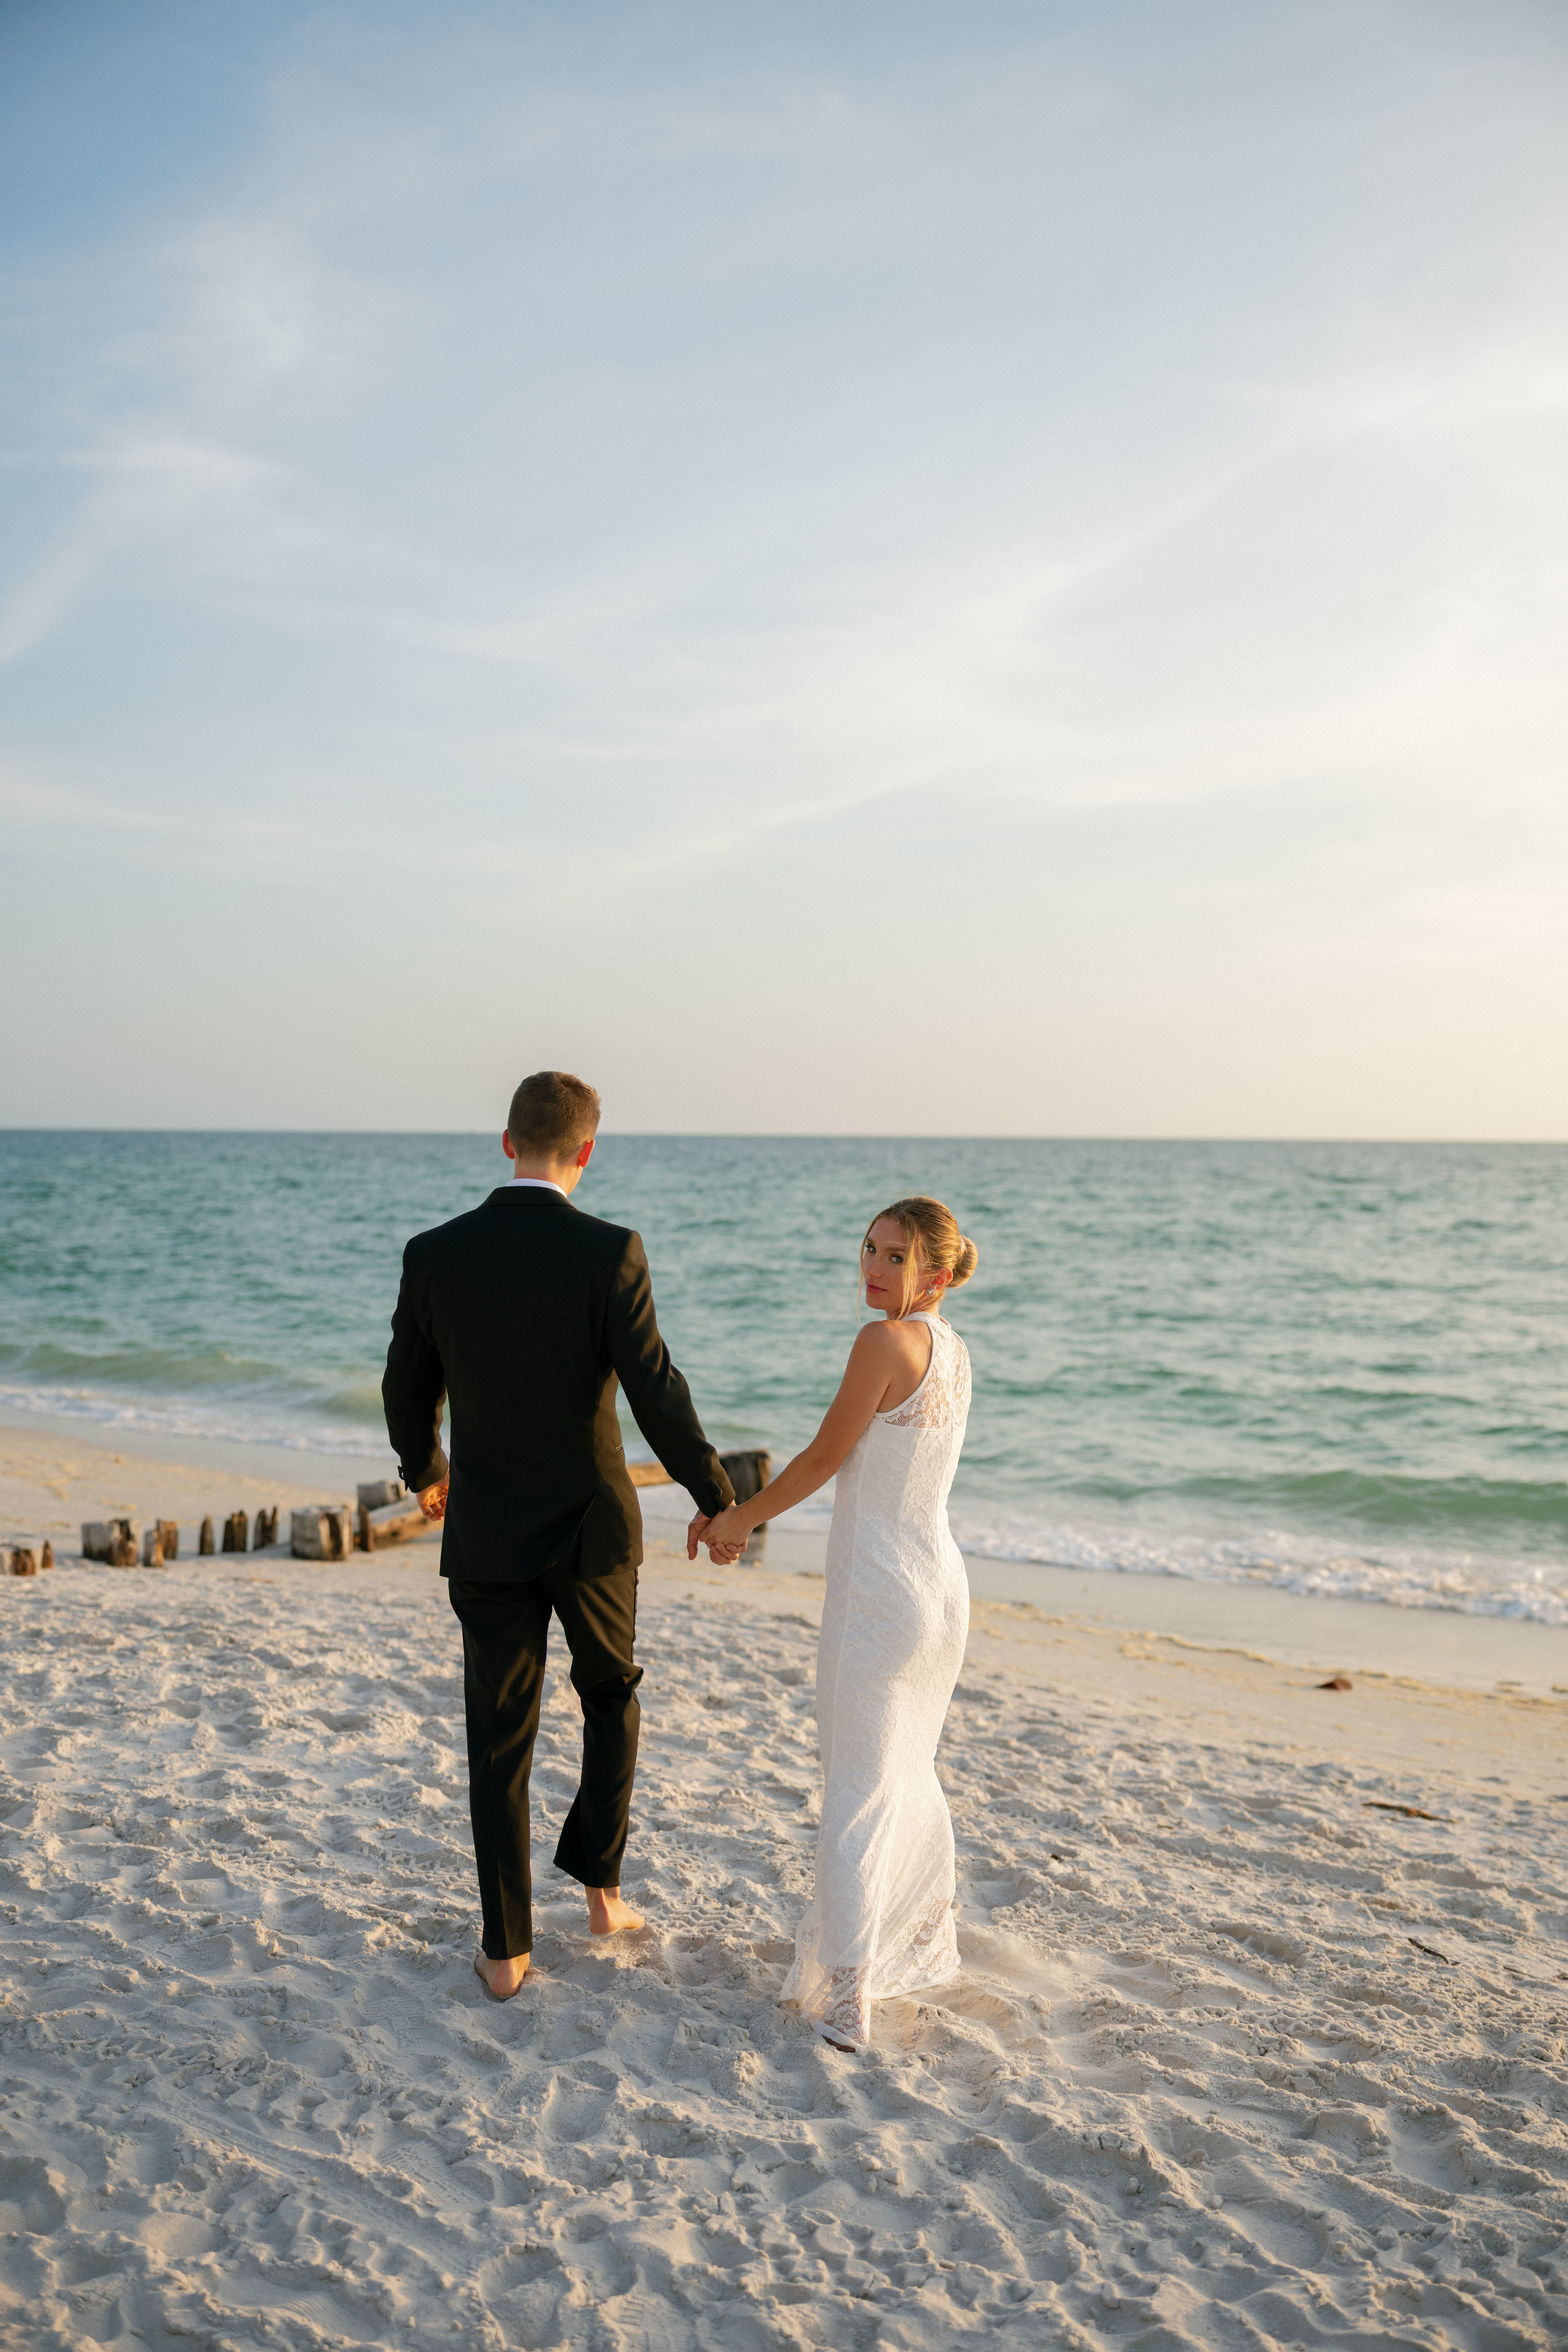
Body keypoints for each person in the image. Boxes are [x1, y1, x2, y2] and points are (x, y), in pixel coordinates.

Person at [382, 1071, 736, 2001]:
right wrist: (717, 1494)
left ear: (507, 1141)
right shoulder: (612, 1251)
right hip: (592, 1527)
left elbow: (403, 1387)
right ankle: (603, 1891)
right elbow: (657, 1387)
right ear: (587, 1151)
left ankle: (505, 1951)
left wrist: (428, 1471)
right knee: (612, 1693)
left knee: (498, 1733)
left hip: (488, 1525)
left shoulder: (435, 1252)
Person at [697, 1196, 976, 2050]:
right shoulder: (954, 1350)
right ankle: (919, 1947)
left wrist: (738, 1517)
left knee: (860, 1788)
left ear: (934, 1270)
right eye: (869, 1249)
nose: (874, 1266)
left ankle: (852, 1996)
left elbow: (823, 1458)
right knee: (910, 1773)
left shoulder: (882, 1342)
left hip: (880, 1600)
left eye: (896, 1256)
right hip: (942, 1593)